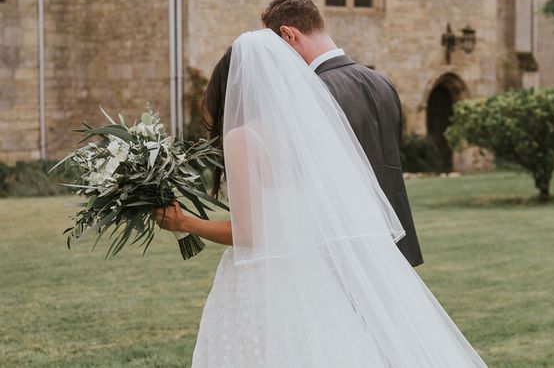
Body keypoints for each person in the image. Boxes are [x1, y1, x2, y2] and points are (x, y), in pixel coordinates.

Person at [155, 30, 486, 366]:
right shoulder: (307, 129)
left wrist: (186, 223)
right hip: (314, 272)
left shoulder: (244, 137)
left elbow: (252, 233)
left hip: (264, 281)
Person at [260, 0, 422, 266]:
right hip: (395, 244)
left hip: (341, 249)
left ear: (289, 35)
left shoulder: (311, 93)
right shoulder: (383, 82)